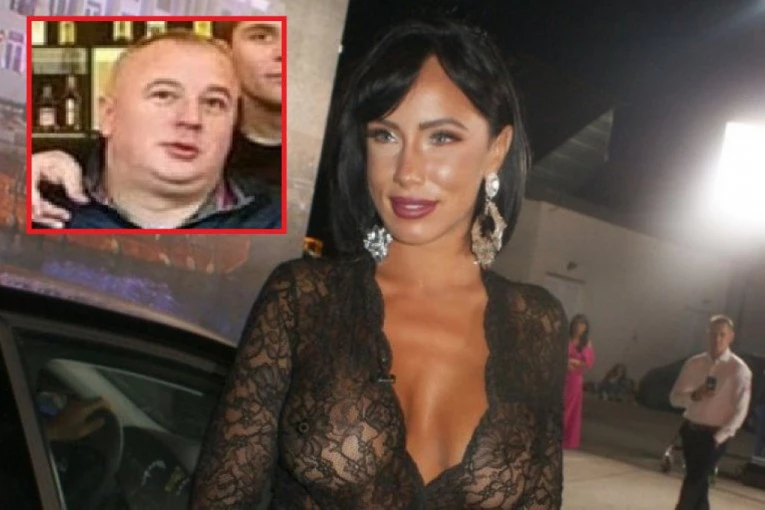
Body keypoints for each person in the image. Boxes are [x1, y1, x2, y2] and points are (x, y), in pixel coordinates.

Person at [191, 19, 567, 509]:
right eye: (386, 136)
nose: (407, 171)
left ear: (496, 149)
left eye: (441, 137)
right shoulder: (305, 300)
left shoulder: (536, 324)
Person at [31, 28, 280, 230]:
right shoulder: (40, 202)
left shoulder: (277, 219)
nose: (191, 119)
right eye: (163, 95)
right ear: (108, 115)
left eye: (214, 103)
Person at [669, 314, 752, 510]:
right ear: (707, 335)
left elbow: (740, 411)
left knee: (694, 480)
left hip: (715, 436)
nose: (717, 339)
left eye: (722, 334)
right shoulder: (694, 363)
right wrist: (693, 396)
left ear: (731, 336)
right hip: (691, 431)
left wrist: (719, 437)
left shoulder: (738, 369)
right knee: (698, 480)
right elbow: (674, 398)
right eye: (713, 334)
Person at [563, 314, 595, 449]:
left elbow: (588, 362)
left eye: (582, 326)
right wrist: (566, 362)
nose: (579, 328)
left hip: (575, 379)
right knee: (560, 406)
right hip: (563, 377)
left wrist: (576, 363)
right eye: (577, 325)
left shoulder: (586, 343)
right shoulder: (565, 339)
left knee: (571, 409)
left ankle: (567, 439)